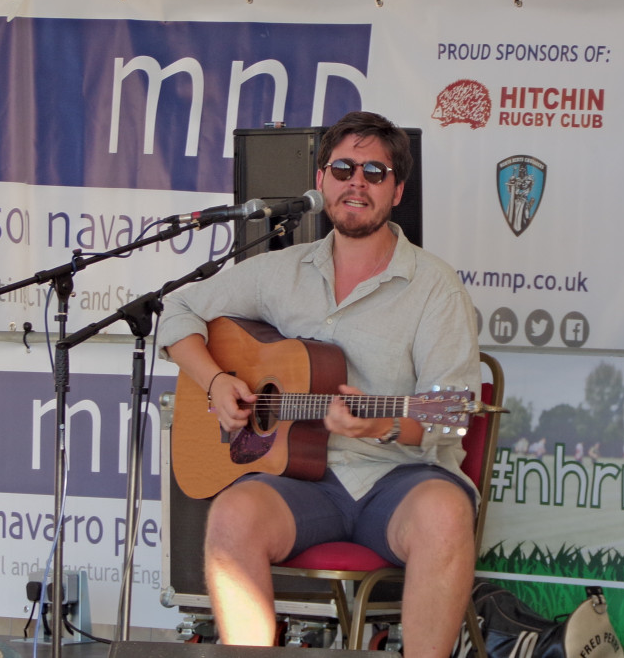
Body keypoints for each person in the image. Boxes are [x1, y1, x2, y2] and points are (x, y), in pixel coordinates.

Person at [158, 111, 481, 657]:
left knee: (445, 514)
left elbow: (450, 412)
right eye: (344, 168)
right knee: (232, 515)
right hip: (303, 481)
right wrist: (214, 381)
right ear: (321, 182)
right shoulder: (280, 271)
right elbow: (178, 309)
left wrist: (380, 424)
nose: (357, 182)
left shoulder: (435, 287)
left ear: (397, 190)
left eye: (375, 172)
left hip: (398, 480)